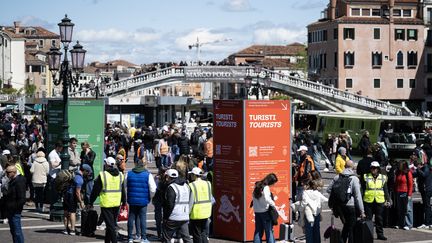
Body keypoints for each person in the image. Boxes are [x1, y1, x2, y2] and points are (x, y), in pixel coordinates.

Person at [89, 157, 126, 243]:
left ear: (106, 164)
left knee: (110, 225)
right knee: (110, 224)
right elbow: (123, 190)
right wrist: (124, 202)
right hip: (116, 203)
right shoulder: (120, 175)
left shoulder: (103, 175)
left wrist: (91, 202)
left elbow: (95, 190)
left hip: (106, 203)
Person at [327, 160, 365, 243]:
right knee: (352, 228)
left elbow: (328, 189)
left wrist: (339, 195)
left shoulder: (337, 177)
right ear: (353, 167)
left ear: (344, 166)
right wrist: (362, 211)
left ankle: (342, 240)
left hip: (340, 206)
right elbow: (357, 196)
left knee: (346, 225)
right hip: (350, 206)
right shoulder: (354, 179)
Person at [126, 155, 157, 243]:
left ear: (135, 164)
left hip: (132, 200)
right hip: (143, 200)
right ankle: (143, 237)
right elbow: (153, 189)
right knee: (143, 218)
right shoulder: (148, 174)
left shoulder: (129, 173)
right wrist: (150, 197)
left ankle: (130, 237)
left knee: (131, 218)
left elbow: (124, 185)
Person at [162, 168, 193, 243]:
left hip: (173, 216)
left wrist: (166, 217)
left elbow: (170, 204)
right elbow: (191, 199)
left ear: (168, 177)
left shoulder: (171, 187)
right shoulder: (186, 185)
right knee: (187, 238)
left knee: (166, 238)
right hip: (184, 216)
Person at [361, 161, 390, 240]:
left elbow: (385, 190)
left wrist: (388, 200)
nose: (373, 169)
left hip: (379, 200)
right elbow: (362, 189)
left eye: (375, 168)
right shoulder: (365, 176)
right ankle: (368, 235)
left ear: (378, 169)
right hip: (368, 200)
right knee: (368, 219)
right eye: (372, 168)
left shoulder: (383, 177)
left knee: (379, 218)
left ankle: (380, 234)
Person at [2, 164, 26, 243]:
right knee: (13, 231)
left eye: (8, 172)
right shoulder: (12, 180)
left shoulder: (19, 181)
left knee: (17, 231)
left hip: (15, 210)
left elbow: (22, 199)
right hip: (11, 209)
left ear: (13, 172)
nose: (7, 174)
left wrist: (13, 207)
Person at [188, 167, 213, 243]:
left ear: (194, 175)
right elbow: (211, 197)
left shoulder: (192, 185)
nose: (191, 176)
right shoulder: (208, 183)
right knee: (203, 232)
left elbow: (191, 201)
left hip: (196, 213)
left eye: (192, 174)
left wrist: (187, 213)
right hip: (207, 211)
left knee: (196, 234)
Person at [252, 173, 278, 243]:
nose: (273, 185)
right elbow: (267, 199)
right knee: (268, 232)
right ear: (270, 181)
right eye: (273, 183)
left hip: (257, 211)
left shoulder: (257, 185)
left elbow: (253, 198)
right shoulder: (266, 187)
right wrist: (273, 204)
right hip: (265, 212)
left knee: (258, 231)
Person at [62, 165, 84, 235]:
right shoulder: (79, 179)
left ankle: (66, 229)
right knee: (72, 213)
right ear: (84, 171)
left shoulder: (72, 174)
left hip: (66, 195)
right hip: (72, 196)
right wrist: (81, 202)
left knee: (65, 212)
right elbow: (77, 192)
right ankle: (72, 230)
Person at [394, 160, 413, 230]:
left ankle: (409, 224)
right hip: (399, 192)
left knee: (407, 209)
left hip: (405, 193)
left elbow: (410, 184)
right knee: (400, 209)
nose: (398, 166)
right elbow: (396, 183)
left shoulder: (408, 173)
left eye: (400, 165)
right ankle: (400, 223)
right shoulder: (398, 172)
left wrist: (409, 195)